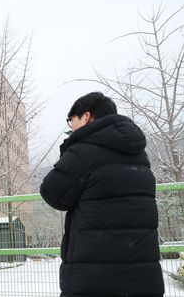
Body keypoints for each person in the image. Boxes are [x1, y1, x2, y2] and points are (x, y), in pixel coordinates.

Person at [40, 92, 164, 296]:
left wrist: (69, 151)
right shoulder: (140, 155)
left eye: (71, 119)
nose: (70, 126)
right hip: (143, 276)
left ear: (86, 116)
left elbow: (52, 193)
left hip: (95, 278)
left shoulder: (83, 151)